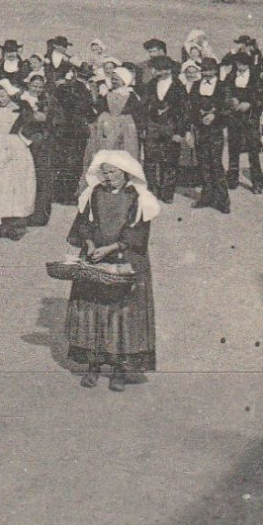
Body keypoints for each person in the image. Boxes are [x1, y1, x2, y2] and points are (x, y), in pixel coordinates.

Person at [61, 150, 160, 392]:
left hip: (125, 257)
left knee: (121, 313)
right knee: (93, 311)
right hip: (97, 257)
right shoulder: (94, 193)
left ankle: (119, 370)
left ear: (125, 172)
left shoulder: (138, 198)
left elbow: (136, 231)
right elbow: (85, 223)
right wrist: (91, 244)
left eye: (113, 172)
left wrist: (112, 247)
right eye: (104, 172)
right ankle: (94, 366)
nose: (108, 177)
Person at [0, 80, 38, 234]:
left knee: (17, 183)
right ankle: (0, 222)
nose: (1, 99)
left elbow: (30, 126)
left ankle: (17, 222)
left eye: (4, 95)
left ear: (10, 94)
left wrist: (23, 138)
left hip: (16, 146)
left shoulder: (20, 109)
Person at [80, 68, 141, 191]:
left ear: (124, 80)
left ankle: (123, 185)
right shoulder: (107, 94)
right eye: (112, 79)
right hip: (107, 129)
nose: (113, 81)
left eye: (116, 79)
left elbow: (136, 113)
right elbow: (100, 107)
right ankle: (102, 184)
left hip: (125, 130)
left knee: (124, 156)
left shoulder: (131, 95)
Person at [187, 58, 231, 213]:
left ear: (215, 70)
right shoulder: (195, 85)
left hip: (215, 130)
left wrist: (214, 115)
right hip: (200, 130)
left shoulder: (222, 86)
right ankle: (206, 197)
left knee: (216, 165)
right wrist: (196, 120)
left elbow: (227, 107)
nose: (206, 73)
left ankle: (223, 200)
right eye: (204, 70)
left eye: (209, 70)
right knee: (203, 164)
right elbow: (191, 107)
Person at [47, 64, 95, 201]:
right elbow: (88, 111)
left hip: (63, 130)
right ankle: (67, 194)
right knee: (74, 162)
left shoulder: (65, 87)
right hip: (76, 130)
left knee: (63, 161)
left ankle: (60, 193)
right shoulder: (84, 90)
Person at [224, 49, 263, 193]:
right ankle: (232, 179)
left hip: (250, 119)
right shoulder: (230, 77)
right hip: (234, 118)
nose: (240, 66)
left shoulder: (256, 78)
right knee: (233, 149)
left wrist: (250, 104)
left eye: (243, 64)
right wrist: (231, 101)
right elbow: (223, 94)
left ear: (249, 64)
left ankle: (257, 183)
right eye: (238, 63)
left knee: (253, 151)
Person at [19, 69, 55, 226]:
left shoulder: (47, 101)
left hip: (42, 144)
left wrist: (46, 120)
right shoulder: (21, 100)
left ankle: (39, 215)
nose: (37, 89)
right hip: (24, 142)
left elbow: (55, 119)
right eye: (34, 86)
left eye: (40, 87)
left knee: (42, 178)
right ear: (29, 84)